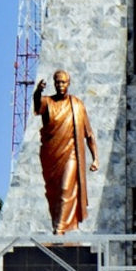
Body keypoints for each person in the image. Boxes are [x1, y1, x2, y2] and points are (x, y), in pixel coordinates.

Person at [33, 70, 99, 233]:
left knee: (65, 188)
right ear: (54, 84)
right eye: (58, 82)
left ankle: (59, 229)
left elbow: (88, 134)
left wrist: (95, 158)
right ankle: (59, 225)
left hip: (71, 154)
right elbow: (37, 105)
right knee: (53, 193)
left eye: (63, 82)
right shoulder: (47, 102)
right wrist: (38, 91)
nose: (60, 85)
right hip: (51, 155)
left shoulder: (77, 105)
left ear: (68, 83)